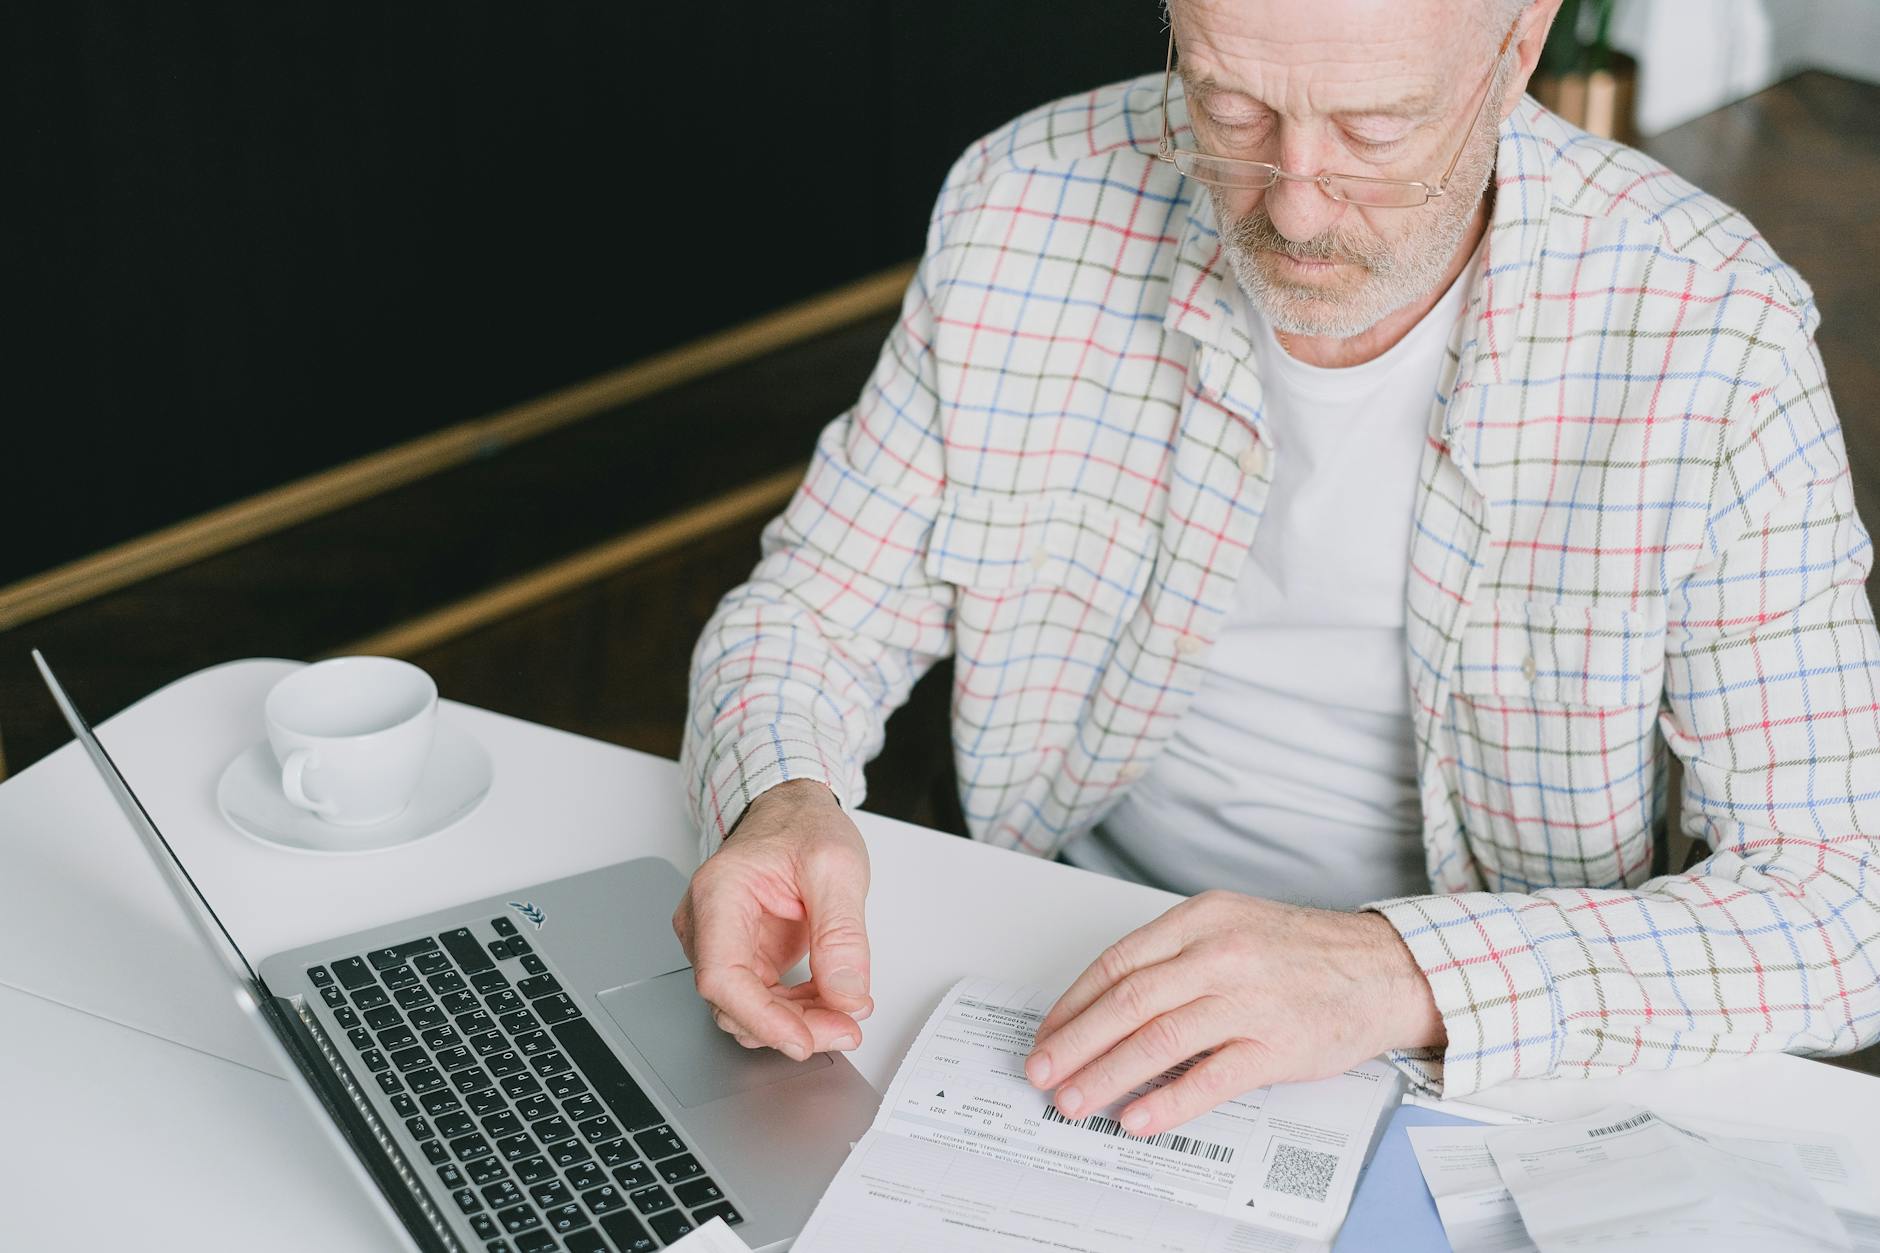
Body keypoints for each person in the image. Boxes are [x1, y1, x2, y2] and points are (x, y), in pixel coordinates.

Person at [672, 0, 1880, 1139]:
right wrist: (780, 790)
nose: (1292, 208)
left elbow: (1843, 904)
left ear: (1516, 43)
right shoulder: (1019, 201)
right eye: (1230, 106)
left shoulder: (1710, 327)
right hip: (1060, 952)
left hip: (1483, 1042)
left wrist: (1390, 969)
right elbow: (814, 607)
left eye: (1376, 127)